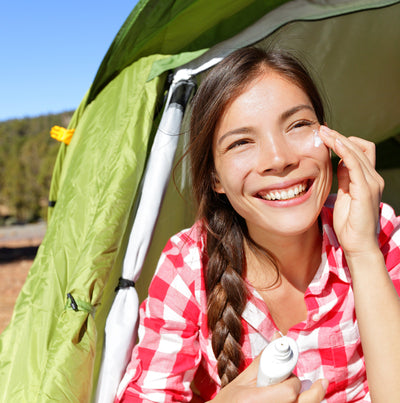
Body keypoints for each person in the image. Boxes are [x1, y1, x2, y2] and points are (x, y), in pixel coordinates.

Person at [116, 47, 400, 402]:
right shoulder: (187, 267)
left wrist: (363, 251)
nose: (279, 159)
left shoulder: (382, 232)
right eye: (241, 142)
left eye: (297, 125)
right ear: (215, 178)